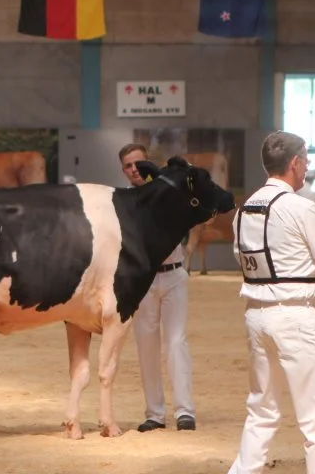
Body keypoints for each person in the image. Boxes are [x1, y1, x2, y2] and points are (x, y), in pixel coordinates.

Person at [227, 131, 315, 474]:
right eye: (306, 161)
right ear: (295, 163)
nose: (307, 167)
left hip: (256, 316)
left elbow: (252, 256)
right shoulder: (301, 207)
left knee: (262, 411)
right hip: (295, 317)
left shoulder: (244, 210)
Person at [118, 142, 196, 432]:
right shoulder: (124, 200)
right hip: (143, 280)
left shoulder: (169, 191)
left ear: (148, 164)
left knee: (176, 342)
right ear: (123, 171)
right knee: (146, 346)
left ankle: (185, 411)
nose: (134, 169)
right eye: (128, 165)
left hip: (174, 274)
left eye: (138, 163)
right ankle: (155, 413)